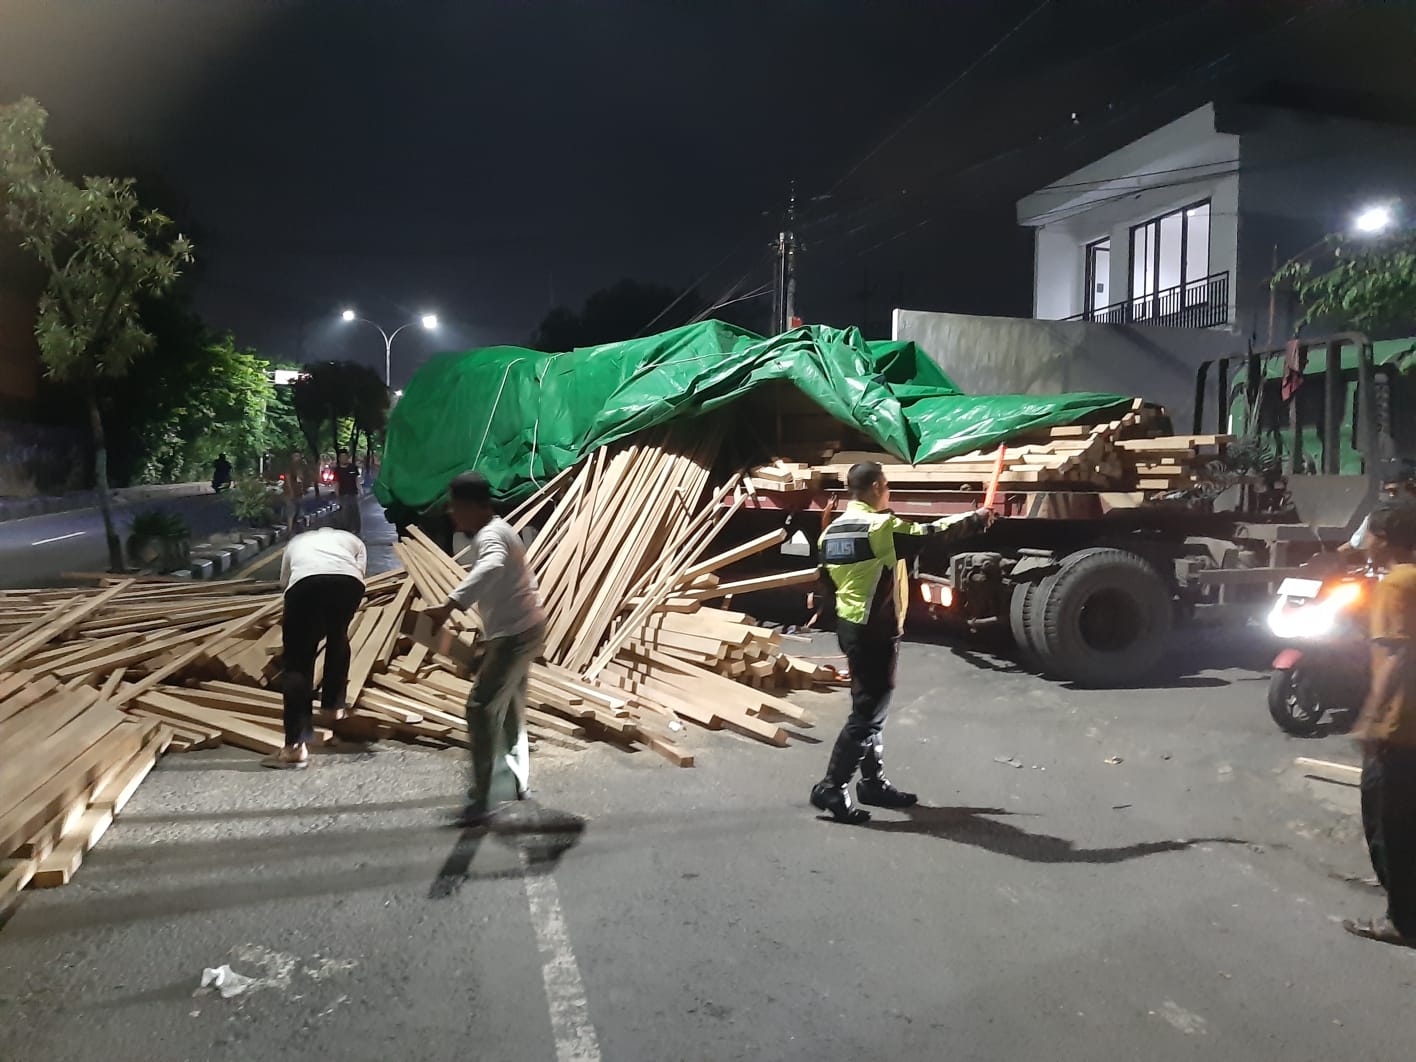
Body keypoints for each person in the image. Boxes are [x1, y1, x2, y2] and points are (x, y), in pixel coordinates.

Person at [809, 461, 992, 824]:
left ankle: (872, 783)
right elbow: (931, 532)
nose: (888, 491)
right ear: (877, 486)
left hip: (851, 628)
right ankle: (832, 787)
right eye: (887, 485)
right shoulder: (880, 527)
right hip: (875, 632)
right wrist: (976, 518)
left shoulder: (830, 533)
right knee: (867, 713)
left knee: (871, 710)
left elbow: (826, 587)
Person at [425, 471, 546, 825]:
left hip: (516, 634)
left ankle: (484, 798)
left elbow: (492, 567)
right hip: (525, 626)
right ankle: (517, 781)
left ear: (473, 506)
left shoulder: (492, 536)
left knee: (480, 708)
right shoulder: (501, 530)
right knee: (509, 706)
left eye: (455, 506)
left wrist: (449, 605)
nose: (451, 514)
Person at [1345, 499, 1416, 945]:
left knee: (1387, 827)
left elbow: (1394, 656)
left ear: (1384, 539)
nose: (1363, 543)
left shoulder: (1395, 585)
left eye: (1368, 534)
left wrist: (1370, 718)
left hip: (1399, 727)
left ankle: (1402, 920)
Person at [266, 526, 367, 769]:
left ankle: (295, 747)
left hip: (305, 585)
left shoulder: (296, 543)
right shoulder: (352, 539)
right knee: (338, 637)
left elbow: (285, 582)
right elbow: (359, 572)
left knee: (298, 661)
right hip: (349, 583)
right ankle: (334, 708)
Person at [334, 449, 361, 535]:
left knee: (355, 513)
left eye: (345, 457)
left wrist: (360, 490)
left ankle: (357, 531)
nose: (344, 459)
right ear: (339, 458)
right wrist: (337, 495)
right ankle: (347, 532)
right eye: (342, 457)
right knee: (345, 514)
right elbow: (336, 483)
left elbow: (357, 480)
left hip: (353, 493)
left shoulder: (353, 467)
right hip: (343, 494)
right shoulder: (337, 470)